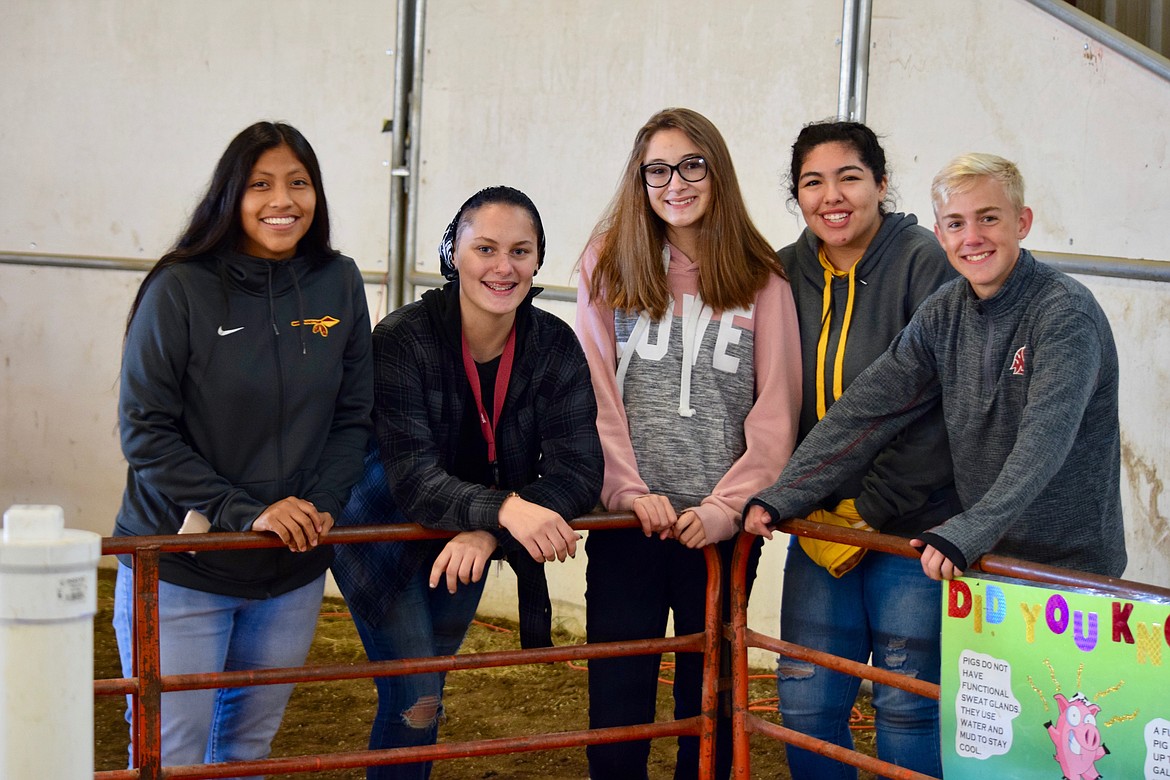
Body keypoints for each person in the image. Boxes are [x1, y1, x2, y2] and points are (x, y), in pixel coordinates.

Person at [113, 121, 373, 774]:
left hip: (291, 570)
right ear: (231, 193)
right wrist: (243, 511)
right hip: (182, 567)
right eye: (261, 184)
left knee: (245, 755)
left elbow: (354, 414)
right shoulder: (180, 288)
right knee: (170, 755)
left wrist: (320, 504)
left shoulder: (338, 282)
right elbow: (145, 429)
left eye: (298, 183)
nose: (281, 200)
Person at [331, 186, 603, 780]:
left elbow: (580, 468)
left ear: (537, 261)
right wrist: (505, 513)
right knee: (416, 697)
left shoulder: (554, 345)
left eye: (520, 251)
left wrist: (489, 531)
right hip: (381, 535)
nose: (503, 267)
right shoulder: (402, 340)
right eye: (485, 248)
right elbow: (414, 481)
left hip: (467, 541)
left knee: (426, 697)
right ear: (453, 253)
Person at [747, 153, 1125, 578]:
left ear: (1022, 222)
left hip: (1069, 571)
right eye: (956, 224)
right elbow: (870, 405)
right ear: (940, 235)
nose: (972, 237)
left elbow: (1043, 442)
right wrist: (786, 491)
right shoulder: (945, 310)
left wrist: (970, 529)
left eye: (988, 219)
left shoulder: (1064, 314)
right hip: (981, 561)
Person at [575, 107, 801, 779]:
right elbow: (592, 395)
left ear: (717, 171)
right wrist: (627, 491)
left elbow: (775, 411)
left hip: (721, 532)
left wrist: (725, 508)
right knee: (619, 703)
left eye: (692, 165)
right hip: (627, 524)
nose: (676, 183)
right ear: (639, 180)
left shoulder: (763, 276)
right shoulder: (607, 266)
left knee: (713, 703)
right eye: (658, 170)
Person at [764, 120, 962, 780]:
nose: (832, 195)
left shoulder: (923, 261)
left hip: (907, 526)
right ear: (796, 196)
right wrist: (803, 498)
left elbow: (939, 406)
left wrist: (870, 510)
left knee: (905, 704)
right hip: (818, 524)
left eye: (849, 176)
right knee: (807, 700)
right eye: (812, 182)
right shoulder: (785, 272)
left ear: (880, 182)